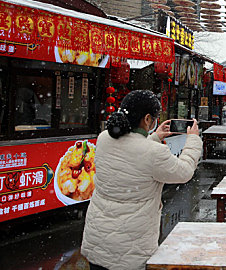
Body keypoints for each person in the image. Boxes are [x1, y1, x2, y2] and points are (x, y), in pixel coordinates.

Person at [81, 90, 202, 270]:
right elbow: (183, 172)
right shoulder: (154, 153)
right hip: (129, 250)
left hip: (98, 241)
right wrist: (193, 140)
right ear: (147, 119)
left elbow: (132, 153)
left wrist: (153, 137)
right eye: (154, 118)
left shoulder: (104, 139)